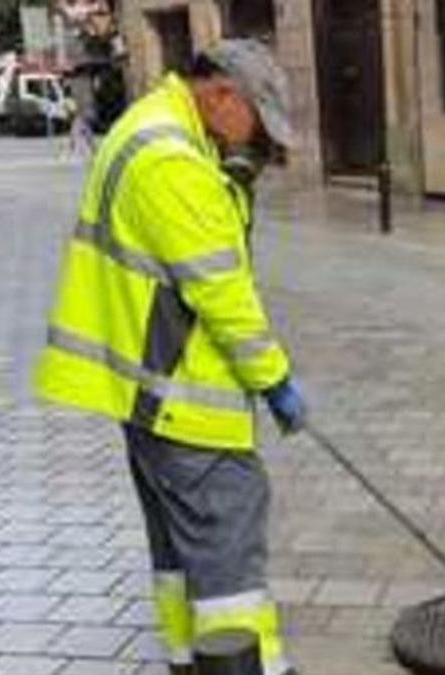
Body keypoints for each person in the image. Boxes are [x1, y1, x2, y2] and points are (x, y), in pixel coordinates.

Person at [35, 39, 307, 675]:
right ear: (223, 95)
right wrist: (276, 381)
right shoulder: (174, 163)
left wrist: (234, 176)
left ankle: (188, 659)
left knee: (178, 544)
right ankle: (255, 667)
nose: (258, 142)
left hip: (149, 392)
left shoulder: (150, 126)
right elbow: (223, 293)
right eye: (257, 125)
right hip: (185, 398)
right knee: (226, 543)